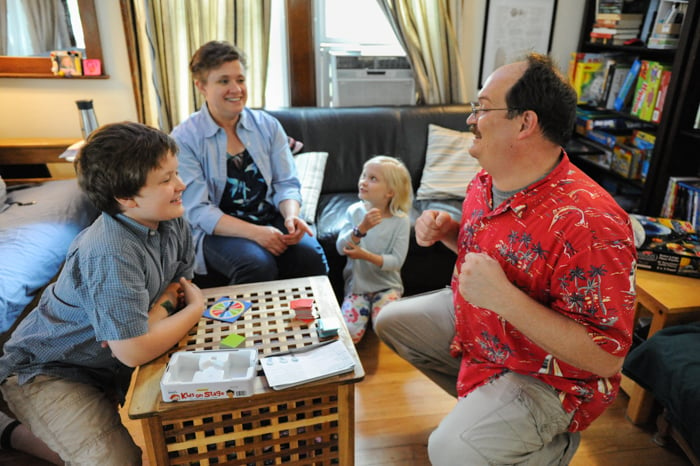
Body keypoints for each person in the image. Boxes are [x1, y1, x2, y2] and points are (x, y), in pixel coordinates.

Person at [374, 53, 638, 465]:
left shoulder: (591, 223)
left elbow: (606, 357)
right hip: (486, 333)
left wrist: (503, 299)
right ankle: (490, 416)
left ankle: (550, 441)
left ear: (524, 123)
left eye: (481, 107)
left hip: (550, 376)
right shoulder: (487, 179)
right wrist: (449, 232)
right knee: (389, 321)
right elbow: (499, 260)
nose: (470, 118)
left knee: (448, 451)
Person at [0, 122, 205, 465]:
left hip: (104, 365)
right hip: (51, 371)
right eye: (166, 180)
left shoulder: (172, 219)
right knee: (120, 461)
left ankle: (10, 432)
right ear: (125, 197)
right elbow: (135, 348)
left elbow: (178, 289)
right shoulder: (111, 251)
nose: (180, 185)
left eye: (176, 173)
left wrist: (152, 319)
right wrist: (194, 309)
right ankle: (12, 426)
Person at [172, 40, 328, 285]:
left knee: (310, 255)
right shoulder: (184, 138)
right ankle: (256, 324)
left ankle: (312, 322)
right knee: (256, 264)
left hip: (269, 217)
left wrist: (291, 217)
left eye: (240, 80)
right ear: (201, 86)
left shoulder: (267, 125)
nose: (236, 89)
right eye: (224, 81)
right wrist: (257, 234)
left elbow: (286, 183)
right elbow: (198, 210)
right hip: (218, 231)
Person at [336, 156, 412, 343]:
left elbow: (396, 262)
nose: (363, 181)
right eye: (364, 175)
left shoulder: (401, 221)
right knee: (349, 334)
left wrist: (365, 255)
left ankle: (376, 315)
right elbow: (340, 248)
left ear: (390, 192)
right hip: (358, 287)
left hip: (387, 287)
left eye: (373, 179)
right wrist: (360, 229)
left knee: (387, 329)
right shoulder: (355, 212)